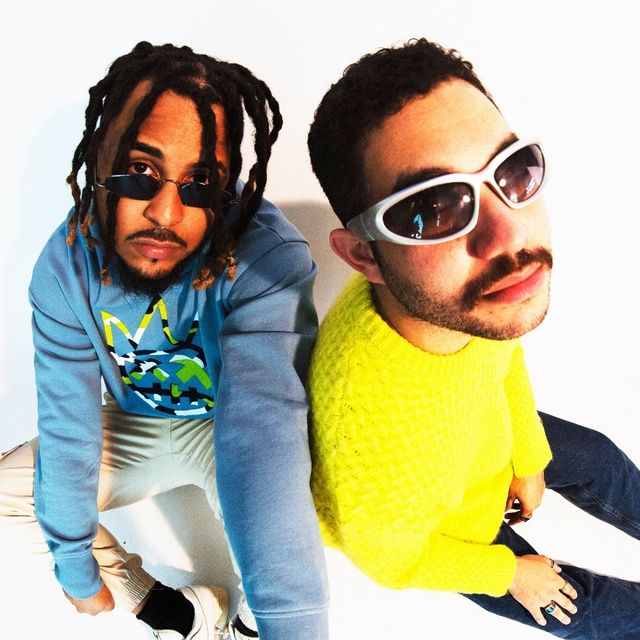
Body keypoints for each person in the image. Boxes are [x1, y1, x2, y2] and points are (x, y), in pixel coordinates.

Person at [306, 38, 640, 638]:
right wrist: (508, 573)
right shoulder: (371, 439)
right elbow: (392, 560)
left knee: (602, 462)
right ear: (364, 256)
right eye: (433, 209)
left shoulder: (460, 301)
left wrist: (528, 459)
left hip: (479, 436)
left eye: (512, 171)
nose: (509, 236)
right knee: (591, 609)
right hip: (454, 531)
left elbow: (499, 354)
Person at [0, 41, 328, 640]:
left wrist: (294, 626)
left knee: (275, 533)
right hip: (137, 423)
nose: (166, 212)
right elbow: (69, 425)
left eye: (200, 180)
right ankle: (182, 616)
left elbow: (265, 441)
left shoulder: (267, 257)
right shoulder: (67, 266)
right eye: (141, 171)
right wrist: (75, 568)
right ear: (100, 159)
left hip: (232, 427)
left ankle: (247, 624)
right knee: (8, 497)